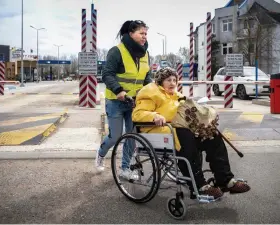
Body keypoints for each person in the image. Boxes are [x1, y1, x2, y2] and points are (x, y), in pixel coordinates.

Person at [132, 67, 251, 199]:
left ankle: (225, 180)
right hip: (158, 130)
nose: (172, 83)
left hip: (180, 129)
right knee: (186, 137)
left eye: (174, 80)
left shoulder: (178, 96)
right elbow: (138, 114)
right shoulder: (150, 93)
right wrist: (154, 116)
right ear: (160, 82)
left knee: (213, 135)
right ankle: (199, 186)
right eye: (168, 80)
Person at [95, 20, 152, 179]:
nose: (144, 37)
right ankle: (100, 154)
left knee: (132, 136)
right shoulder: (117, 51)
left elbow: (147, 77)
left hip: (135, 102)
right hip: (116, 101)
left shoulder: (146, 54)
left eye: (146, 34)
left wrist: (154, 90)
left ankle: (125, 169)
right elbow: (107, 74)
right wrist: (119, 90)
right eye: (141, 33)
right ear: (131, 33)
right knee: (115, 136)